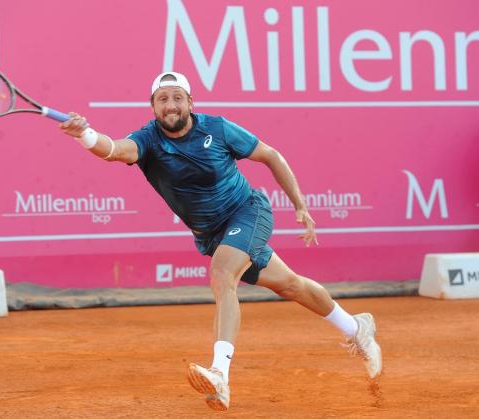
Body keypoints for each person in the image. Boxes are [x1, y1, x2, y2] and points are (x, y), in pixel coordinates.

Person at [59, 72, 382, 411]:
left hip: (248, 211)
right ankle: (356, 326)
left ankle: (220, 374)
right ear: (153, 107)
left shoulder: (218, 128)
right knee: (290, 285)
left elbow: (271, 155)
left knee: (223, 275)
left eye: (177, 97)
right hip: (213, 234)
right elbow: (113, 150)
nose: (171, 105)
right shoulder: (147, 140)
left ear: (190, 102)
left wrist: (300, 205)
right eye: (163, 99)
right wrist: (85, 135)